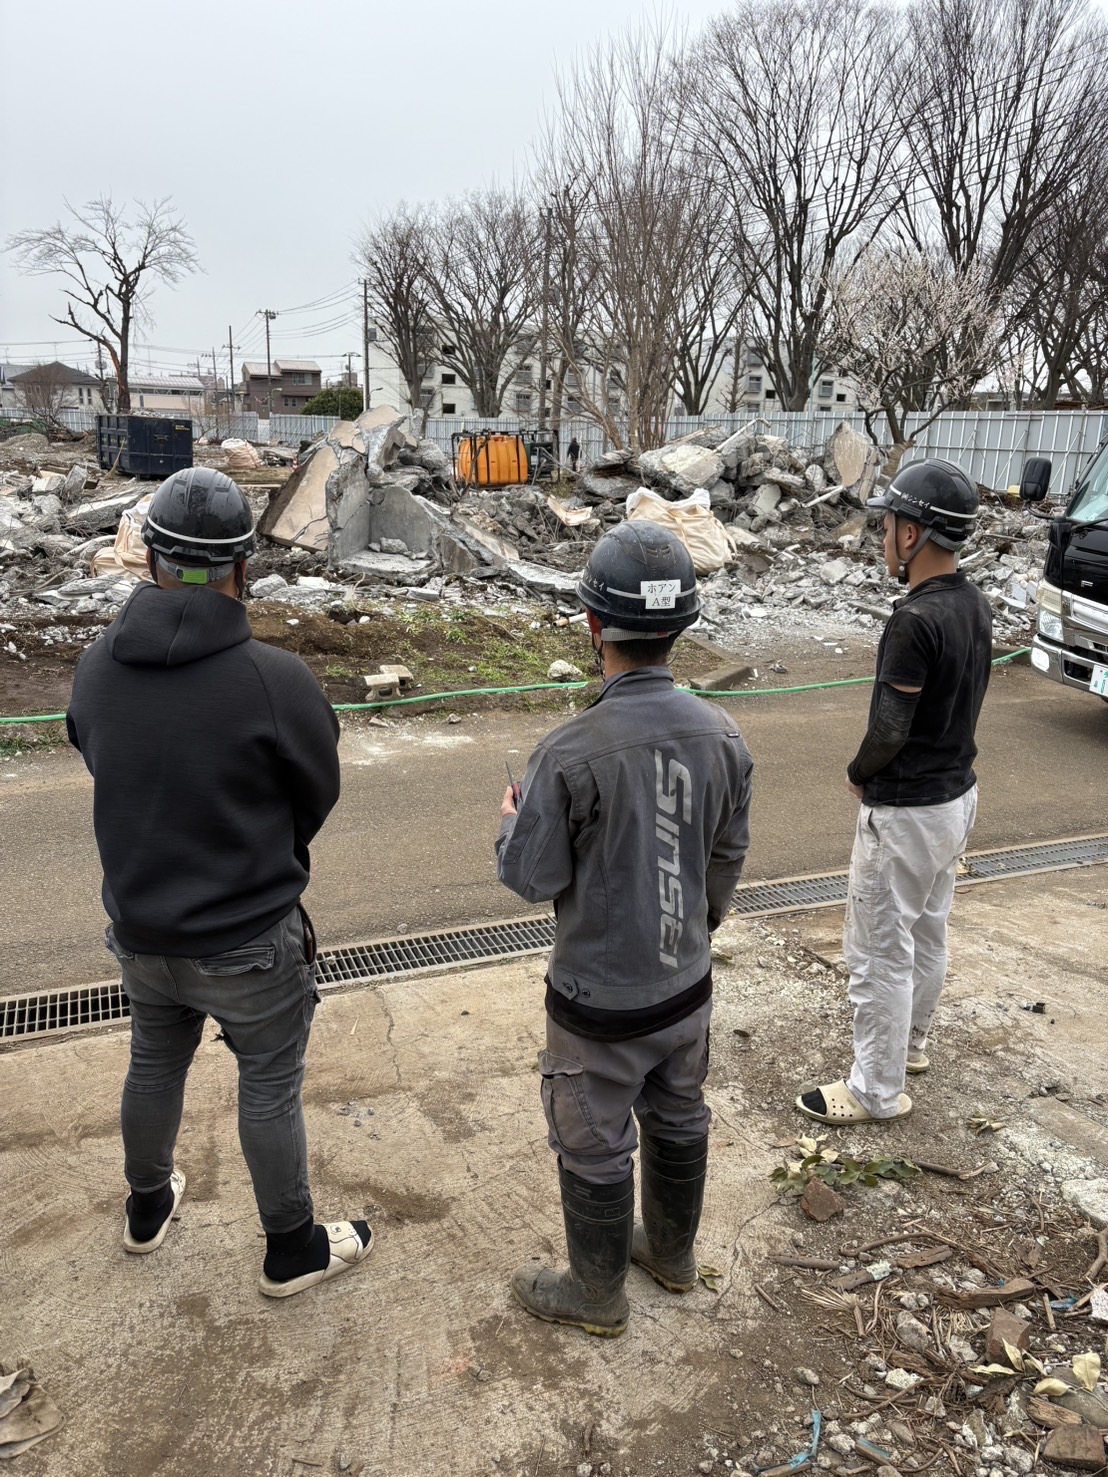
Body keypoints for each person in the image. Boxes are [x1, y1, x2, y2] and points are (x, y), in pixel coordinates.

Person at [66, 467, 373, 1298]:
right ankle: (290, 1248)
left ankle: (146, 1207)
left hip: (143, 932)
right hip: (249, 941)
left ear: (150, 559)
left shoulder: (97, 669)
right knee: (268, 1084)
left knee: (153, 1061)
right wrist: (262, 848)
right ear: (244, 567)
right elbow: (317, 792)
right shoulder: (275, 680)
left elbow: (99, 755)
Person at [496, 521, 753, 1337]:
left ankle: (596, 1292)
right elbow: (726, 855)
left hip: (598, 1008)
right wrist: (695, 929)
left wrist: (511, 822)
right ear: (683, 627)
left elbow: (531, 877)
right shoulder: (724, 734)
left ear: (593, 624)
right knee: (679, 1112)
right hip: (686, 989)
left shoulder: (568, 752)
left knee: (594, 1141)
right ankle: (672, 1255)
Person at [796, 458, 992, 1126]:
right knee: (927, 930)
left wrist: (859, 772)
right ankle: (911, 1046)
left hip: (906, 811)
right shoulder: (973, 603)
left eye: (888, 526)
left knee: (879, 950)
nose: (883, 537)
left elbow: (889, 728)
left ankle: (875, 1090)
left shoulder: (914, 621)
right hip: (956, 799)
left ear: (913, 534)